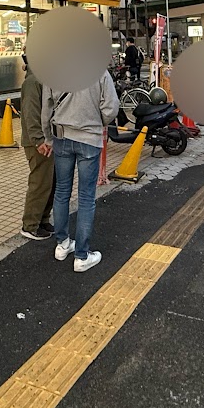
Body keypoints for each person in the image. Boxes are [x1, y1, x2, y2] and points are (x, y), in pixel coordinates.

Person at [44, 68, 119, 273]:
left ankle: (62, 245)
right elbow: (111, 107)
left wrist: (47, 137)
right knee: (86, 197)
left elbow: (46, 108)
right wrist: (97, 122)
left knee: (61, 192)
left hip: (62, 137)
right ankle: (82, 256)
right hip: (89, 138)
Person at [18, 56, 54, 240]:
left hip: (47, 140)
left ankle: (43, 219)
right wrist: (39, 140)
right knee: (40, 183)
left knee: (49, 182)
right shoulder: (32, 82)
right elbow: (31, 113)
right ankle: (30, 225)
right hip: (37, 143)